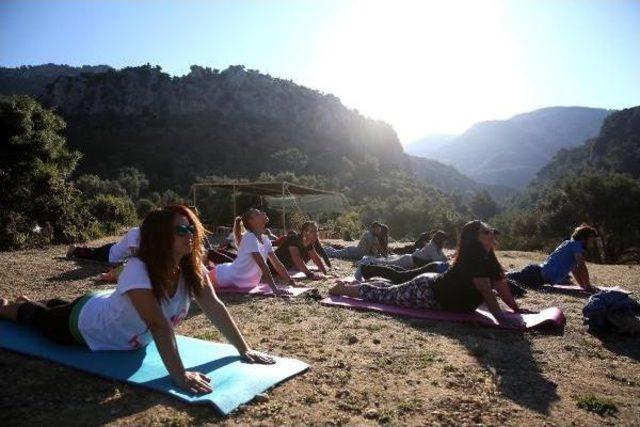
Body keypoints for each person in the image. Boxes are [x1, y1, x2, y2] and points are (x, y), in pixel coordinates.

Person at [1, 205, 274, 394]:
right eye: (181, 230)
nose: (190, 234)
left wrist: (243, 349)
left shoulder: (193, 269)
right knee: (33, 317)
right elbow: (157, 323)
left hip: (101, 304)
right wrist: (180, 375)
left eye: (190, 228)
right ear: (160, 238)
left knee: (56, 305)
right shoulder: (138, 268)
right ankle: (12, 306)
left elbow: (214, 307)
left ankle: (32, 301)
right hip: (84, 326)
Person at [330, 220, 527, 328]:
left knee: (391, 288)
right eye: (486, 232)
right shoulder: (474, 259)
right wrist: (501, 319)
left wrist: (516, 310)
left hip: (435, 287)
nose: (492, 234)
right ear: (473, 239)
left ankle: (365, 281)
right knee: (384, 295)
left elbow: (501, 286)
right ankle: (343, 288)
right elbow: (486, 291)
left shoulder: (488, 259)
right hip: (427, 292)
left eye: (491, 230)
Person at [210, 209, 295, 295]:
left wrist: (291, 282)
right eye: (258, 213)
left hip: (245, 282)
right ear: (251, 221)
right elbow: (262, 264)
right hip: (225, 276)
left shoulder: (265, 239)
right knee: (201, 281)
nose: (264, 212)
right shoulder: (249, 237)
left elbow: (276, 263)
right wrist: (274, 289)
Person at [507, 224, 599, 292]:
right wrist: (588, 286)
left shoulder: (571, 244)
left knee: (504, 278)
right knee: (501, 279)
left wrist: (584, 286)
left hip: (536, 274)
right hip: (534, 275)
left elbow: (575, 269)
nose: (592, 244)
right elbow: (582, 266)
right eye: (591, 240)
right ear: (583, 239)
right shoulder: (576, 246)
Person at [66, 227, 140, 264]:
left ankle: (82, 249)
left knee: (94, 251)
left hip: (115, 248)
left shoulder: (146, 238)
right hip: (110, 253)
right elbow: (134, 252)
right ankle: (75, 250)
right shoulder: (134, 231)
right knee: (92, 254)